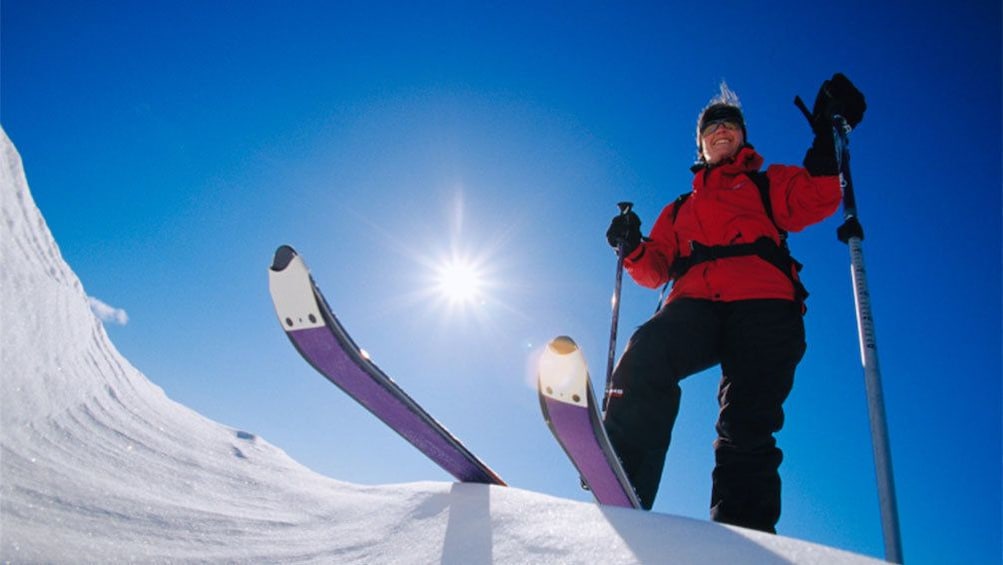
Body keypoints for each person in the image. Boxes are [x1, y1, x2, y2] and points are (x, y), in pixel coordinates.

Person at [602, 75, 865, 533]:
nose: (721, 131)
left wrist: (827, 137)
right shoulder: (680, 209)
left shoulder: (767, 184)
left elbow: (818, 195)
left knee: (746, 422)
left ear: (742, 137)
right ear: (700, 146)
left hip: (765, 304)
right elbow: (655, 270)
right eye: (711, 128)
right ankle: (622, 473)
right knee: (648, 350)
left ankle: (740, 536)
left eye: (730, 125)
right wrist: (633, 246)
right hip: (697, 303)